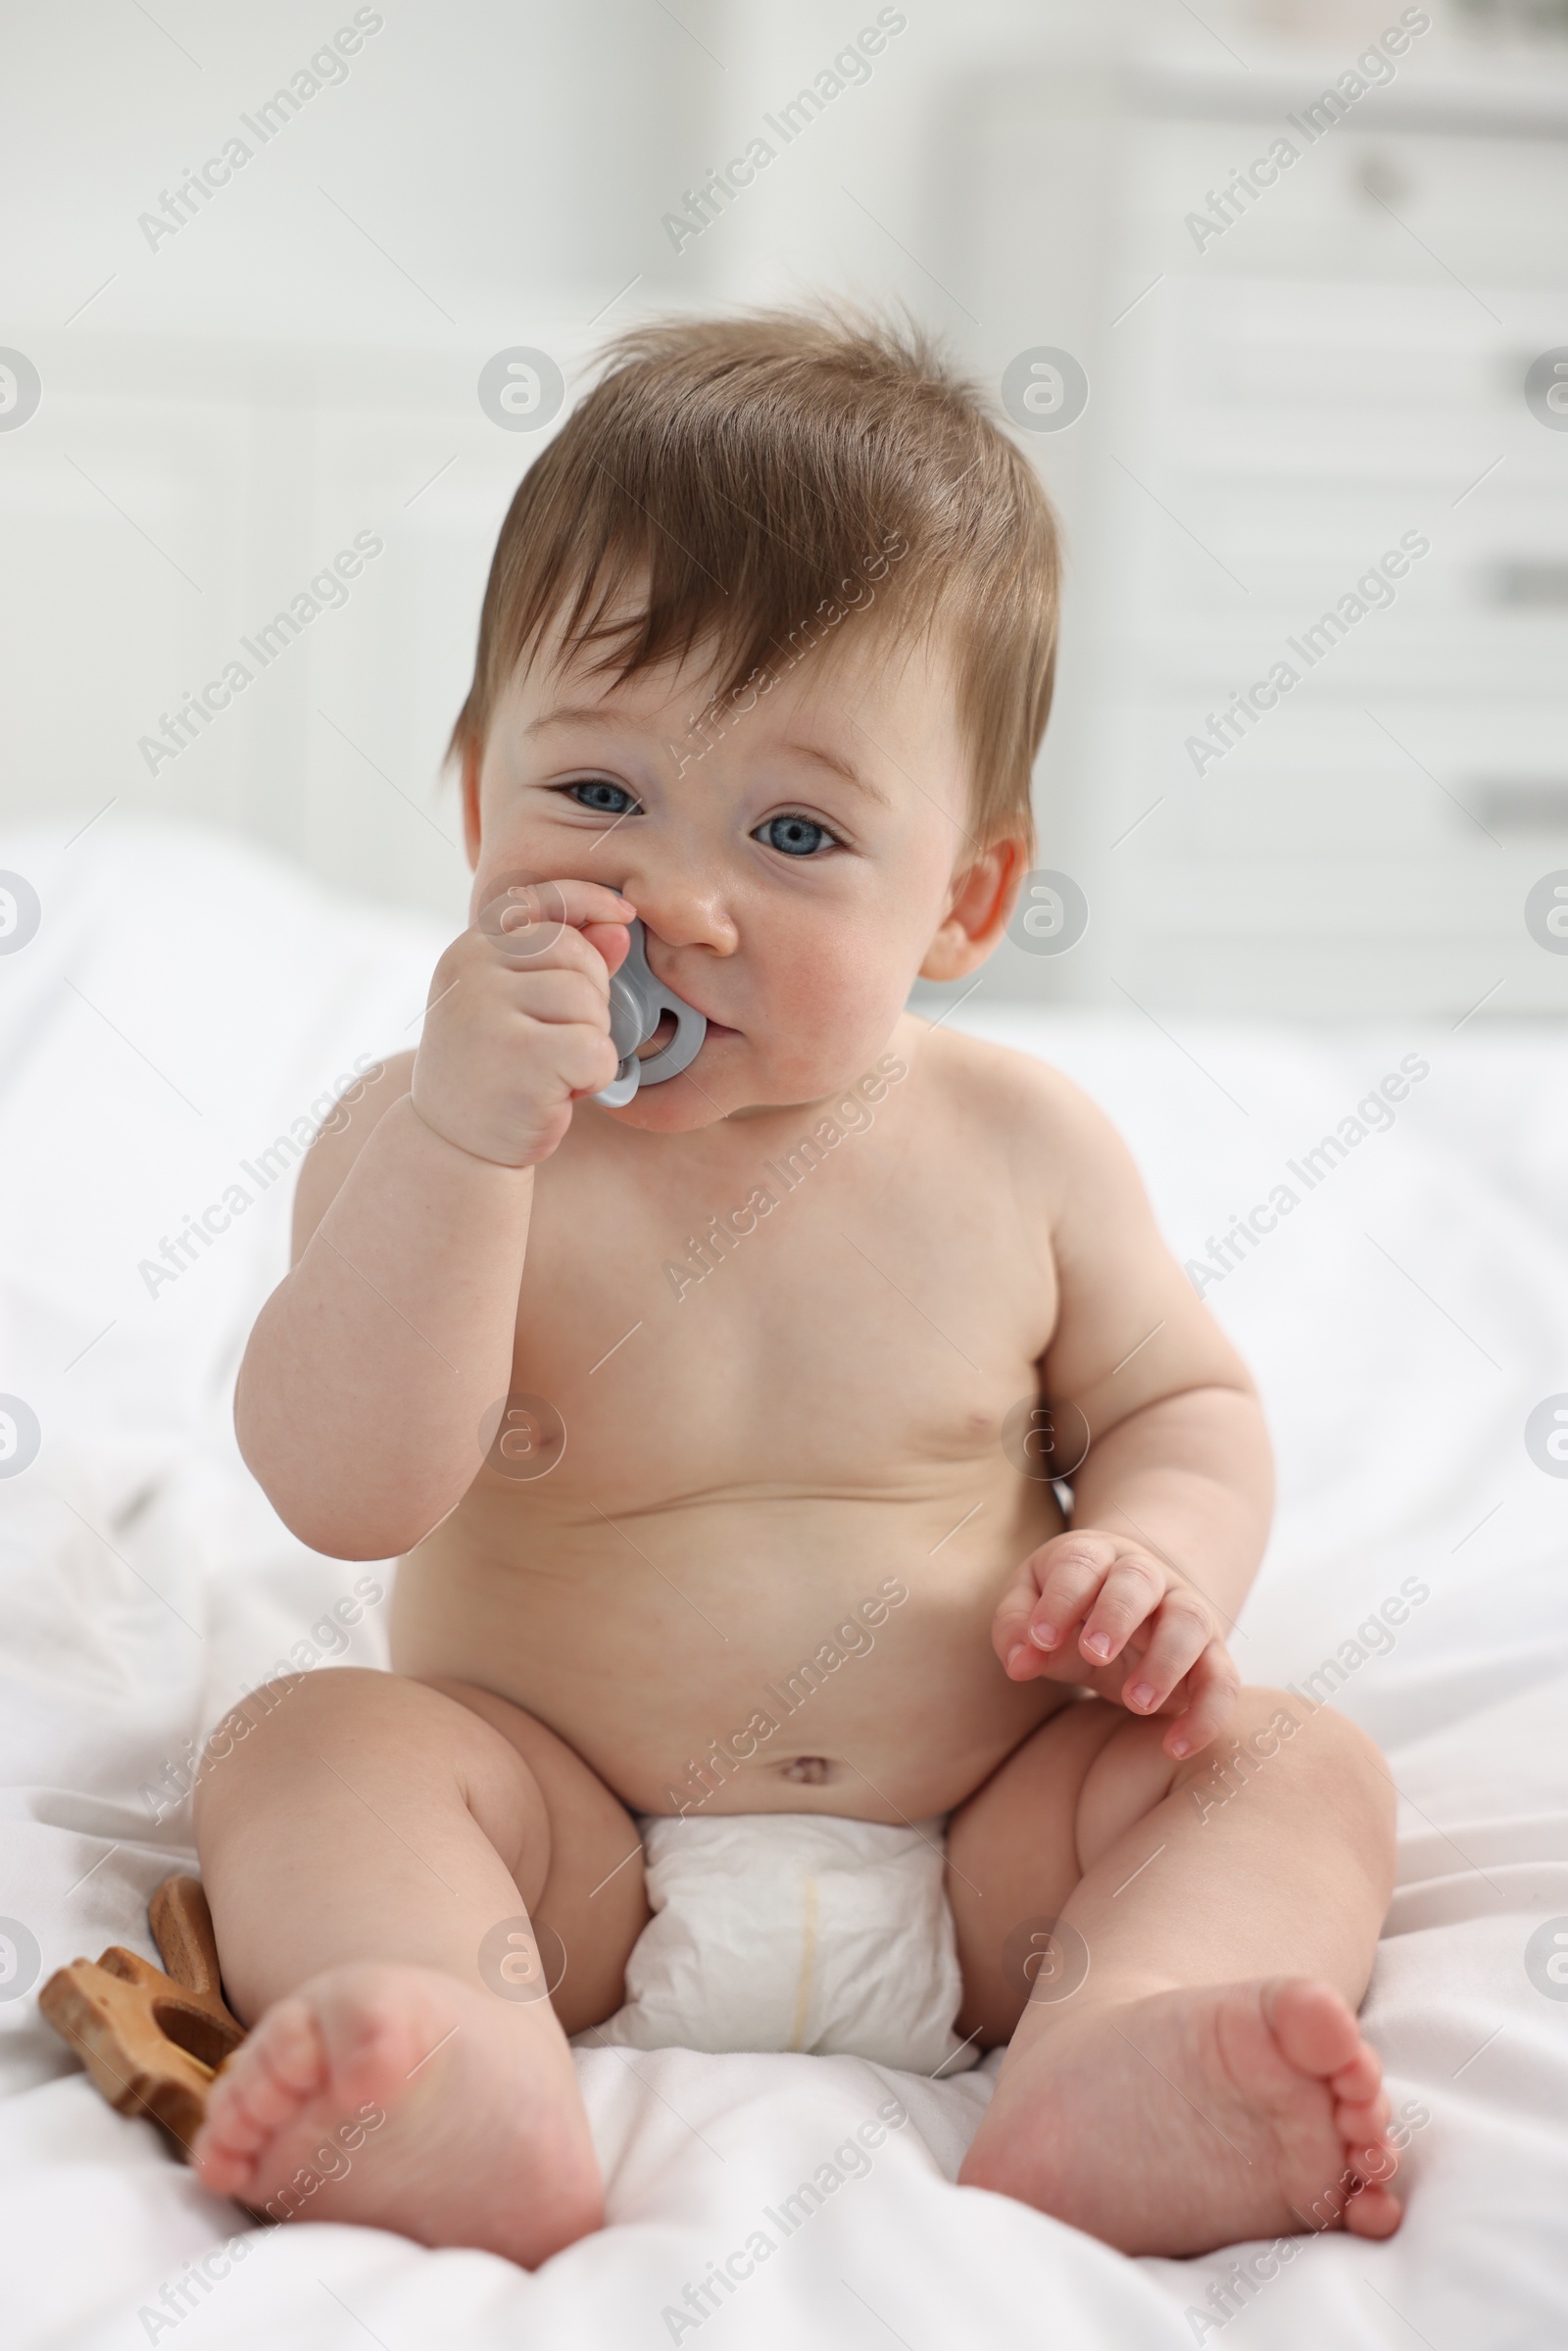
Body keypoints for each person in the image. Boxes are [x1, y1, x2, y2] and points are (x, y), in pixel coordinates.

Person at [190, 310, 1400, 2266]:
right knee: (304, 1747)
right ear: (477, 786)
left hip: (991, 1850)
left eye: (792, 831)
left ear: (964, 899)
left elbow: (1183, 1408)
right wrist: (462, 1154)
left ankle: (1124, 2047)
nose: (679, 902)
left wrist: (1162, 1560)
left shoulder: (1020, 1149)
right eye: (595, 796)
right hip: (564, 1860)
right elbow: (342, 1493)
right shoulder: (429, 1139)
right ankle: (457, 2063)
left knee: (1288, 1769)